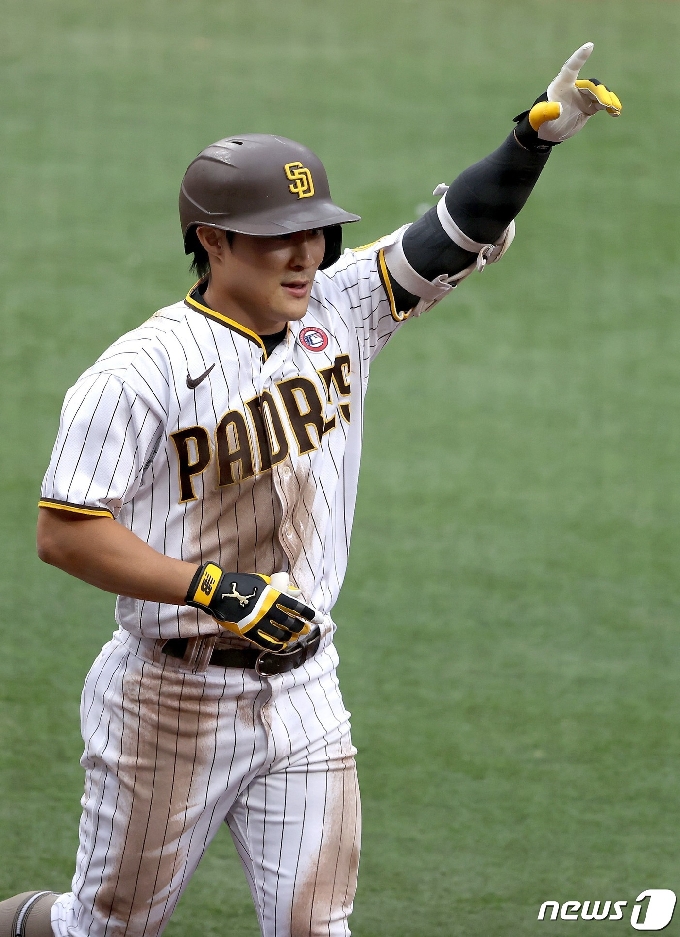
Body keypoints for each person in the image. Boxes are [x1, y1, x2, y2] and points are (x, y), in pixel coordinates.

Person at [0, 43, 620, 937]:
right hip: (169, 701)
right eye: (275, 235)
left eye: (316, 231)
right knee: (106, 930)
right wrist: (213, 588)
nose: (304, 254)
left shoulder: (341, 306)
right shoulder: (138, 374)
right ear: (213, 240)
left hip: (305, 690)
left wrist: (530, 142)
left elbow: (450, 233)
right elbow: (65, 531)